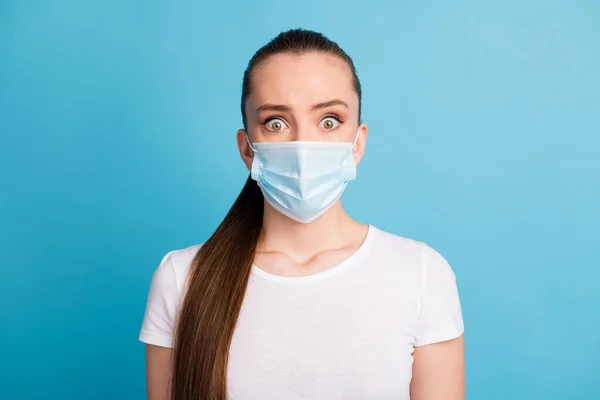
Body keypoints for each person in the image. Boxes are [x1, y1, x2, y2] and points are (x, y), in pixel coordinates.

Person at [139, 28, 465, 400]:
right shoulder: (184, 278)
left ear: (357, 143)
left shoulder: (421, 274)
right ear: (248, 150)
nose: (303, 147)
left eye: (329, 121)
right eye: (275, 122)